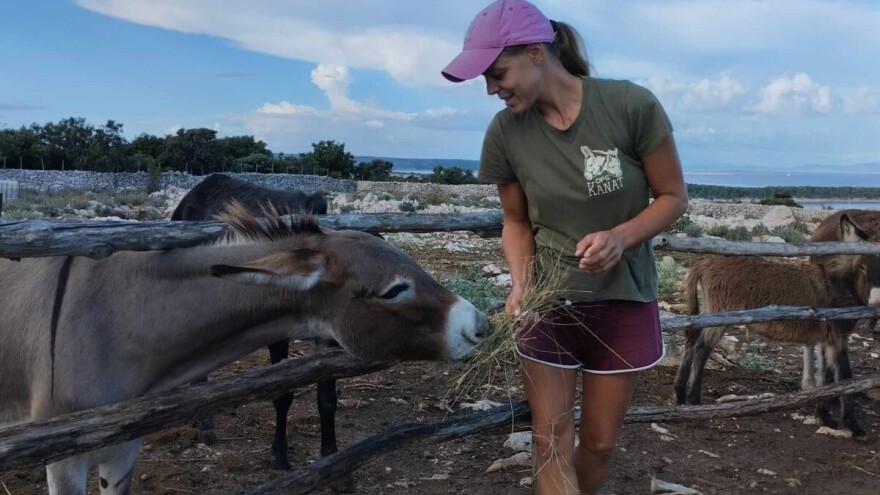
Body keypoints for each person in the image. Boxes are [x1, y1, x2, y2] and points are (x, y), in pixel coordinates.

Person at [442, 1, 688, 494]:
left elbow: (673, 196)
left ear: (536, 53)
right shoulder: (505, 134)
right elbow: (516, 221)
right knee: (549, 439)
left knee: (598, 444)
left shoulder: (629, 106)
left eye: (497, 73)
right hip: (548, 306)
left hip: (623, 301)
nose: (491, 89)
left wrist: (621, 237)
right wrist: (520, 284)